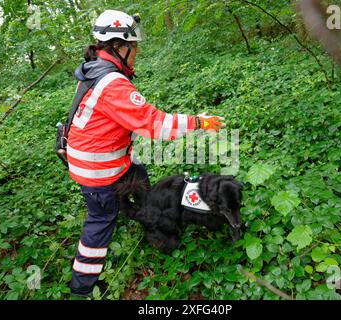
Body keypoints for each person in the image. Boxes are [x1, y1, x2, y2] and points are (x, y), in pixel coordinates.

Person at [67, 9, 225, 297]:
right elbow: (155, 125)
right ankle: (82, 287)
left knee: (138, 173)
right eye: (134, 47)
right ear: (119, 47)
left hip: (101, 157)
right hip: (98, 171)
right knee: (100, 222)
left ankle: (148, 215)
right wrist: (199, 122)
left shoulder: (94, 68)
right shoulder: (113, 83)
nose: (136, 53)